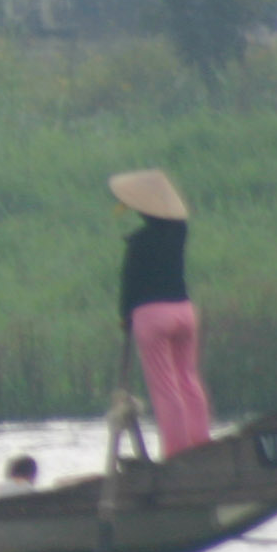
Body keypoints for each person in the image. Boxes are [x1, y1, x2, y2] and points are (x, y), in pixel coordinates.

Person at [112, 169, 213, 457]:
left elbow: (129, 282)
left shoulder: (138, 242)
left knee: (165, 387)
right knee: (188, 378)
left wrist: (124, 316)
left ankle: (177, 451)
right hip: (184, 312)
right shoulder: (180, 231)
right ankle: (201, 442)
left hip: (152, 316)